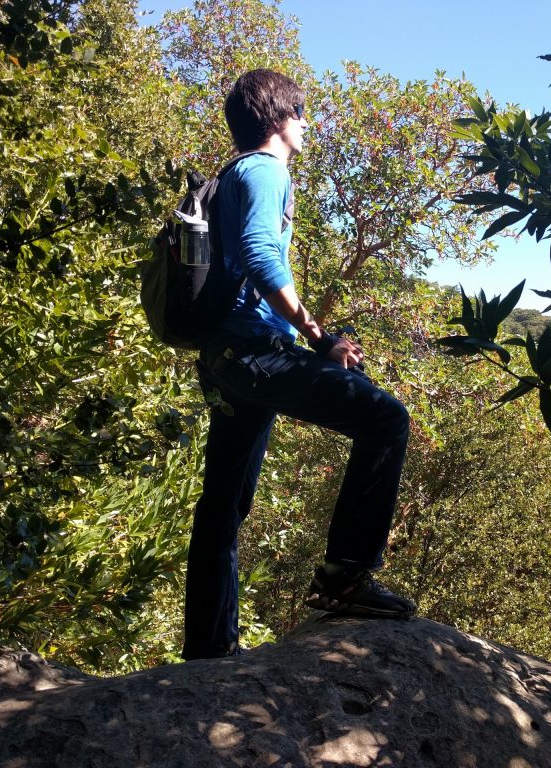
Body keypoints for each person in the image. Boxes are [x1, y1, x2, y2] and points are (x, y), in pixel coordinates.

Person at [182, 69, 416, 660]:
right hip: (257, 352)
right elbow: (261, 252)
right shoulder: (265, 169)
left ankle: (209, 648)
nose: (308, 126)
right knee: (385, 419)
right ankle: (345, 577)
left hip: (225, 359)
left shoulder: (232, 174)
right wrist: (317, 335)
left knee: (223, 506)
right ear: (281, 121)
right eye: (303, 116)